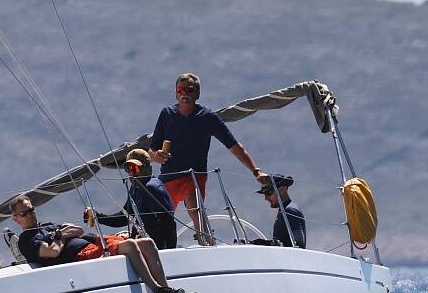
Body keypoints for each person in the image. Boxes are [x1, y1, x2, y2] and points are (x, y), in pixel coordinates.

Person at [9, 194, 198, 293]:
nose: (30, 214)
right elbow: (53, 252)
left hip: (92, 241)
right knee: (131, 246)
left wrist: (60, 234)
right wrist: (61, 235)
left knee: (147, 243)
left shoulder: (48, 226)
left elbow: (78, 229)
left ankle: (167, 289)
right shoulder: (27, 240)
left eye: (31, 210)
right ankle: (157, 292)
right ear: (16, 219)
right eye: (24, 213)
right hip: (80, 256)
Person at [149, 72, 269, 244]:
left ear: (197, 94)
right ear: (176, 93)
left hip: (193, 175)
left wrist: (256, 171)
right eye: (181, 89)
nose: (185, 93)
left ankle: (206, 241)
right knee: (161, 218)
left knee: (194, 205)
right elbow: (151, 151)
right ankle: (160, 250)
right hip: (169, 177)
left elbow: (234, 146)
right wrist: (156, 156)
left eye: (190, 90)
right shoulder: (166, 114)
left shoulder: (207, 117)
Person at [83, 148, 177, 251]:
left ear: (148, 168)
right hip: (140, 243)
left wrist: (169, 253)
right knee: (89, 238)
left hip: (154, 249)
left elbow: (169, 224)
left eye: (135, 168)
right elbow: (125, 217)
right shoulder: (135, 187)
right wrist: (98, 217)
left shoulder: (152, 188)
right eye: (128, 169)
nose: (131, 173)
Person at [251, 175, 306, 248]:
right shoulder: (285, 209)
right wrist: (256, 243)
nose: (266, 198)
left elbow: (299, 246)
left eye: (268, 193)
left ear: (282, 189)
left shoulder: (290, 210)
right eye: (264, 194)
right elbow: (282, 243)